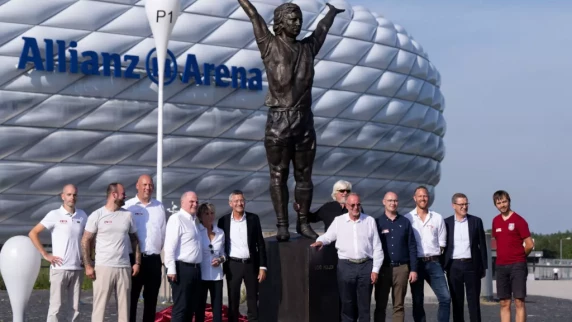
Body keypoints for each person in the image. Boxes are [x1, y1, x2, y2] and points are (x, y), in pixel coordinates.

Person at [237, 0, 346, 241]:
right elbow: (254, 15)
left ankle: (303, 222)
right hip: (278, 118)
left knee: (304, 176)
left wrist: (331, 12)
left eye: (299, 19)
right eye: (292, 19)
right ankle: (282, 224)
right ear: (280, 22)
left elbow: (321, 30)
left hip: (304, 119)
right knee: (278, 174)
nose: (298, 23)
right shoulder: (269, 45)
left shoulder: (308, 48)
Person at [311, 193, 383, 322]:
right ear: (346, 205)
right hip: (346, 266)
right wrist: (320, 241)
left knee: (364, 305)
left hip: (366, 266)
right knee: (347, 303)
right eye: (352, 205)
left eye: (358, 205)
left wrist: (375, 269)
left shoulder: (369, 221)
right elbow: (328, 236)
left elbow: (377, 247)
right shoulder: (339, 221)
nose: (356, 208)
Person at [81, 182, 140, 322]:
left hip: (124, 267)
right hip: (103, 267)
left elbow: (135, 240)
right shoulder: (97, 215)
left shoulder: (128, 216)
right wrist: (88, 265)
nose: (125, 196)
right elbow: (85, 240)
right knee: (99, 308)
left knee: (124, 309)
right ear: (114, 195)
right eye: (123, 193)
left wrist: (137, 262)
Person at [28, 184, 87, 322]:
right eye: (69, 194)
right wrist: (45, 254)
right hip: (59, 268)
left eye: (74, 195)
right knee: (55, 308)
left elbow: (88, 238)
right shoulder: (54, 215)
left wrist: (87, 258)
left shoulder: (83, 215)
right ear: (62, 196)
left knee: (75, 309)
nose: (72, 197)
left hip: (77, 268)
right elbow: (33, 233)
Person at [217, 190, 267, 322]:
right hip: (233, 264)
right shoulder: (223, 221)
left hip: (251, 264)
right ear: (230, 203)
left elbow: (260, 243)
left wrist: (263, 267)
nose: (240, 203)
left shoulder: (253, 219)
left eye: (242, 200)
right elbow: (220, 244)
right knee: (233, 298)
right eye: (236, 201)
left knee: (252, 298)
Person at [405, 186, 451, 322]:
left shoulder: (437, 218)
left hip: (434, 262)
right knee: (417, 301)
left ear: (428, 198)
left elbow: (442, 243)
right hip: (416, 264)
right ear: (414, 198)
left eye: (425, 196)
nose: (423, 198)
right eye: (420, 196)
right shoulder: (408, 219)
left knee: (445, 298)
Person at [125, 174, 166, 322]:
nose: (147, 188)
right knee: (131, 300)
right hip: (134, 260)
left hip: (154, 259)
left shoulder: (159, 206)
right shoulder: (128, 206)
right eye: (144, 185)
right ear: (137, 185)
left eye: (150, 185)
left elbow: (162, 233)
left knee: (151, 301)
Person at [374, 192, 418, 322]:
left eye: (395, 201)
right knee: (380, 305)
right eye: (390, 200)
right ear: (384, 202)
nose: (393, 203)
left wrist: (413, 269)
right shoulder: (377, 223)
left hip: (401, 269)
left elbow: (412, 246)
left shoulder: (405, 222)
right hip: (383, 269)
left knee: (398, 306)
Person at [444, 193, 488, 322]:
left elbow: (482, 245)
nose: (464, 207)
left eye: (466, 204)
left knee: (474, 303)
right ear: (453, 205)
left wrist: (484, 266)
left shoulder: (476, 221)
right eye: (461, 204)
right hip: (453, 266)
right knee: (457, 303)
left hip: (472, 266)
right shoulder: (446, 223)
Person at [492, 190, 534, 322]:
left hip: (517, 265)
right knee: (504, 302)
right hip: (501, 266)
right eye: (499, 203)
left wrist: (520, 257)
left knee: (519, 302)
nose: (502, 205)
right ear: (495, 205)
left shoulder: (519, 220)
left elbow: (529, 244)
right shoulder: (495, 221)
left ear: (509, 201)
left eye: (504, 201)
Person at [163, 191, 203, 322]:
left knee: (190, 308)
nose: (195, 204)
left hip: (195, 269)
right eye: (191, 201)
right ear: (183, 203)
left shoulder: (193, 221)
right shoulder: (177, 219)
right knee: (181, 308)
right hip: (182, 269)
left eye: (196, 201)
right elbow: (169, 246)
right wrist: (171, 268)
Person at [196, 203, 226, 322]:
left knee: (217, 308)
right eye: (206, 213)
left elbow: (224, 253)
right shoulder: (197, 231)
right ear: (200, 216)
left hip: (216, 276)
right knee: (199, 307)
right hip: (201, 275)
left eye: (212, 213)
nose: (210, 216)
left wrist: (220, 260)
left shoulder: (221, 233)